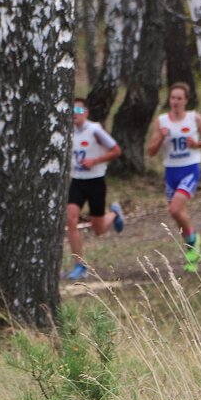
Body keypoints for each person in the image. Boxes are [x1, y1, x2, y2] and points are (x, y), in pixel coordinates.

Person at [147, 81, 201, 272]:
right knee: (178, 213)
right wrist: (160, 137)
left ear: (186, 100)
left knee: (175, 209)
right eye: (172, 98)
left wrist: (198, 144)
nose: (175, 101)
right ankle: (192, 250)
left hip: (190, 168)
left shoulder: (194, 118)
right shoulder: (162, 121)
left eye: (179, 98)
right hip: (171, 171)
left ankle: (193, 240)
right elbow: (151, 151)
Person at [66, 98, 125, 281]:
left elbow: (116, 150)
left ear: (86, 112)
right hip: (76, 181)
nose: (75, 113)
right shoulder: (68, 132)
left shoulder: (95, 130)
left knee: (98, 229)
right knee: (71, 220)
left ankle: (114, 214)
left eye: (78, 109)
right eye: (72, 109)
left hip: (96, 181)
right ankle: (79, 265)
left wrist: (95, 161)